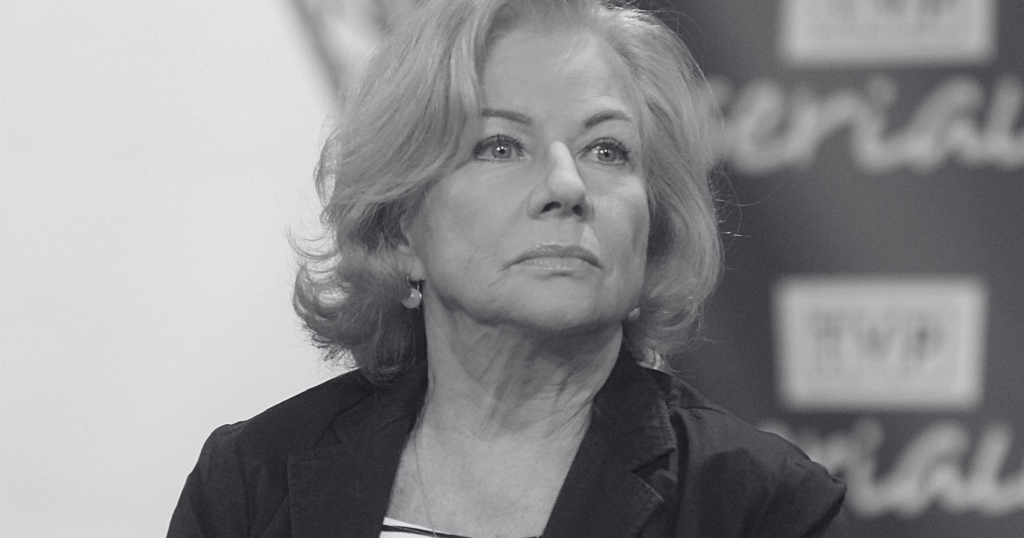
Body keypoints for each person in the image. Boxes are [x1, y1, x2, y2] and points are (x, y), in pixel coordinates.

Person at [168, 0, 846, 536]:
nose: (567, 185)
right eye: (500, 146)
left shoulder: (762, 506)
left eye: (607, 150)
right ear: (400, 230)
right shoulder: (253, 482)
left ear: (653, 222)